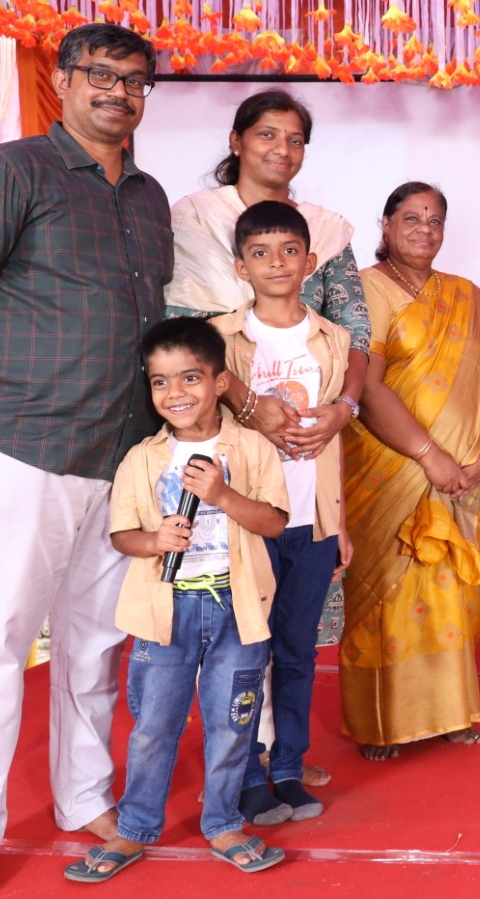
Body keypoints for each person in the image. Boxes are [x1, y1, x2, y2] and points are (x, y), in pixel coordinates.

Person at [0, 23, 172, 899]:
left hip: (119, 452)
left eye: (134, 80)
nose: (118, 92)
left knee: (97, 644)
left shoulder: (147, 197)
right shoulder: (9, 172)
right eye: (101, 74)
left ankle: (83, 797)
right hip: (20, 443)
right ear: (63, 80)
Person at [164, 88, 369, 790]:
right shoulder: (193, 221)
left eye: (295, 139)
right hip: (226, 454)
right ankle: (238, 766)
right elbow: (181, 342)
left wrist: (344, 408)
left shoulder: (325, 234)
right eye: (267, 135)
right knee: (234, 630)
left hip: (310, 480)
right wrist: (248, 404)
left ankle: (283, 758)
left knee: (292, 635)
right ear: (237, 140)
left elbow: (355, 336)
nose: (282, 150)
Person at [64, 317, 288, 881]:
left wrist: (222, 494)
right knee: (152, 728)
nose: (175, 392)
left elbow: (274, 522)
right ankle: (135, 826)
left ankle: (224, 822)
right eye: (159, 381)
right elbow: (122, 535)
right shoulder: (142, 458)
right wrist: (155, 540)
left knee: (232, 724)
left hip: (236, 608)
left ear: (219, 382)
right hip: (165, 610)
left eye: (190, 377)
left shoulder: (253, 448)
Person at [339, 182, 480, 760]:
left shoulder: (468, 297)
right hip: (387, 471)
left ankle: (451, 710)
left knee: (451, 592)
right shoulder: (364, 289)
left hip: (461, 480)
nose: (424, 229)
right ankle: (382, 721)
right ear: (385, 225)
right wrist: (429, 455)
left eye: (435, 220)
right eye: (411, 218)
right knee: (388, 592)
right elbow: (367, 387)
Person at [208, 202, 352, 825]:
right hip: (247, 520)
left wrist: (339, 523)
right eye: (260, 254)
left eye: (289, 251)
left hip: (311, 522)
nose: (276, 264)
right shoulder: (219, 339)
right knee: (242, 651)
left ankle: (288, 768)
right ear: (240, 267)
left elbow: (335, 442)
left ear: (310, 262)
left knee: (297, 650)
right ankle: (243, 775)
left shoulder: (333, 339)